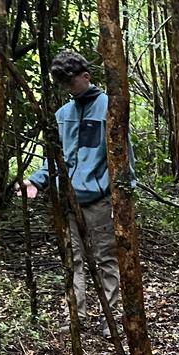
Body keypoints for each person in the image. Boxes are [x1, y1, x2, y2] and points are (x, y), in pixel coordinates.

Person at [21, 51, 122, 339]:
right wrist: (36, 182)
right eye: (62, 83)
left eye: (71, 81)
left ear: (86, 76)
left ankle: (110, 318)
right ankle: (76, 315)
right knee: (73, 259)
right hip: (67, 200)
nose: (68, 87)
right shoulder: (62, 115)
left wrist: (121, 197)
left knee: (106, 258)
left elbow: (123, 157)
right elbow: (54, 158)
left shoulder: (109, 108)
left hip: (99, 200)